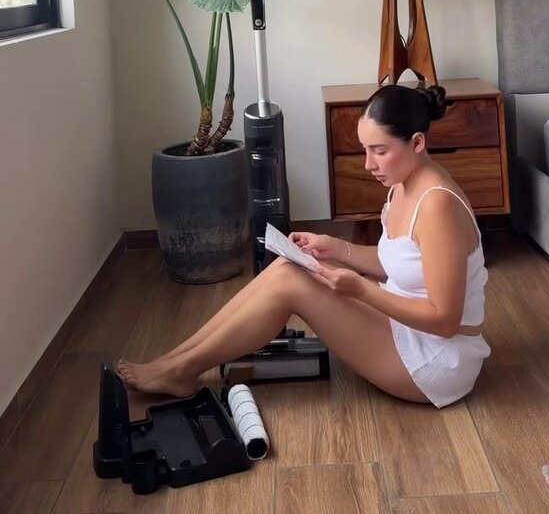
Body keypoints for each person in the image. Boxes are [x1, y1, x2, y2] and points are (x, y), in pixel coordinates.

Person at [117, 84, 491, 407]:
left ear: (417, 142)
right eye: (365, 149)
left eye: (379, 150)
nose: (368, 164)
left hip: (437, 358)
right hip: (404, 326)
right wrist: (335, 248)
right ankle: (177, 361)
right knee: (287, 266)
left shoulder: (436, 204)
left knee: (291, 284)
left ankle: (182, 369)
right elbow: (402, 262)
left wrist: (361, 290)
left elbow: (444, 321)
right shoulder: (402, 182)